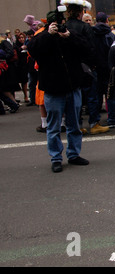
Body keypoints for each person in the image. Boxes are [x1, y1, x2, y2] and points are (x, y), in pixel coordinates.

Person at [27, 9, 92, 173]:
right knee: (54, 127)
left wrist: (69, 36)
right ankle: (56, 158)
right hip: (53, 89)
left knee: (74, 125)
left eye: (60, 23)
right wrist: (49, 35)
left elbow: (86, 49)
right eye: (55, 23)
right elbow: (33, 51)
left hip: (73, 87)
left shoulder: (69, 34)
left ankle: (73, 154)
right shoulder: (42, 36)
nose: (59, 26)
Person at [65, 0, 110, 135]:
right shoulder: (85, 28)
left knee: (75, 98)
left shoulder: (64, 26)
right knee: (92, 96)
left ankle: (77, 125)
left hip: (70, 68)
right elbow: (91, 48)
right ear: (80, 13)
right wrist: (93, 64)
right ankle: (94, 123)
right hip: (86, 68)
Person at [91, 12, 115, 128]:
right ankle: (112, 119)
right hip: (109, 69)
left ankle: (95, 120)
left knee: (97, 96)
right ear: (107, 21)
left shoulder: (92, 33)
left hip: (96, 69)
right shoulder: (110, 35)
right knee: (111, 95)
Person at [14, 32, 30, 103]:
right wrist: (20, 49)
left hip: (25, 65)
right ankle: (14, 97)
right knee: (16, 81)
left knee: (24, 81)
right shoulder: (16, 46)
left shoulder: (27, 44)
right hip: (18, 66)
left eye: (22, 37)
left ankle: (26, 96)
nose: (21, 39)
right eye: (20, 38)